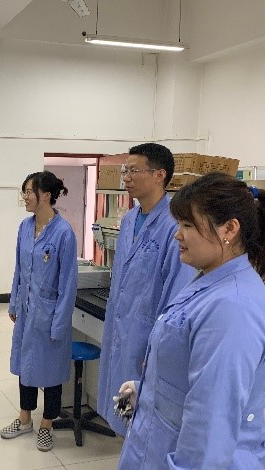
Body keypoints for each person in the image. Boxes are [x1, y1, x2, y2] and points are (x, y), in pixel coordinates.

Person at [117, 173, 265, 469]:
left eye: (187, 225)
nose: (177, 235)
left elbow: (211, 427)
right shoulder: (209, 281)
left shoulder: (233, 307)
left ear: (229, 229)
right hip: (156, 442)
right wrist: (148, 392)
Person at [97, 143, 194, 436]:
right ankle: (126, 447)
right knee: (123, 408)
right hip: (120, 327)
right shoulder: (129, 220)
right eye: (125, 171)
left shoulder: (175, 227)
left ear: (159, 175)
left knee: (145, 417)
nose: (126, 177)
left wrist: (158, 348)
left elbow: (177, 296)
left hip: (147, 335)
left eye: (134, 170)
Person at [0, 171, 78, 452]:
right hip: (26, 309)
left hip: (50, 312)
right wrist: (14, 302)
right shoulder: (24, 227)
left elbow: (68, 283)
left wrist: (60, 322)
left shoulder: (64, 233)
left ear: (45, 195)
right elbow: (19, 269)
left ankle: (47, 425)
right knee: (26, 365)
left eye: (28, 192)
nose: (25, 197)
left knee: (51, 371)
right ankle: (24, 419)